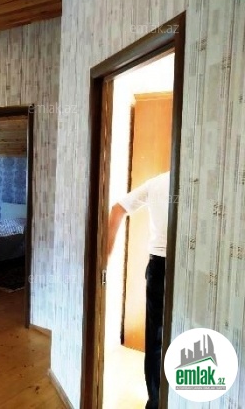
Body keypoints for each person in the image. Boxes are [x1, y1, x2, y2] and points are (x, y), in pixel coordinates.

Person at [107, 171, 170, 409]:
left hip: (159, 266)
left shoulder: (157, 182)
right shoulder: (202, 180)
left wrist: (105, 257)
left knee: (156, 340)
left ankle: (155, 402)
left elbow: (117, 209)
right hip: (190, 265)